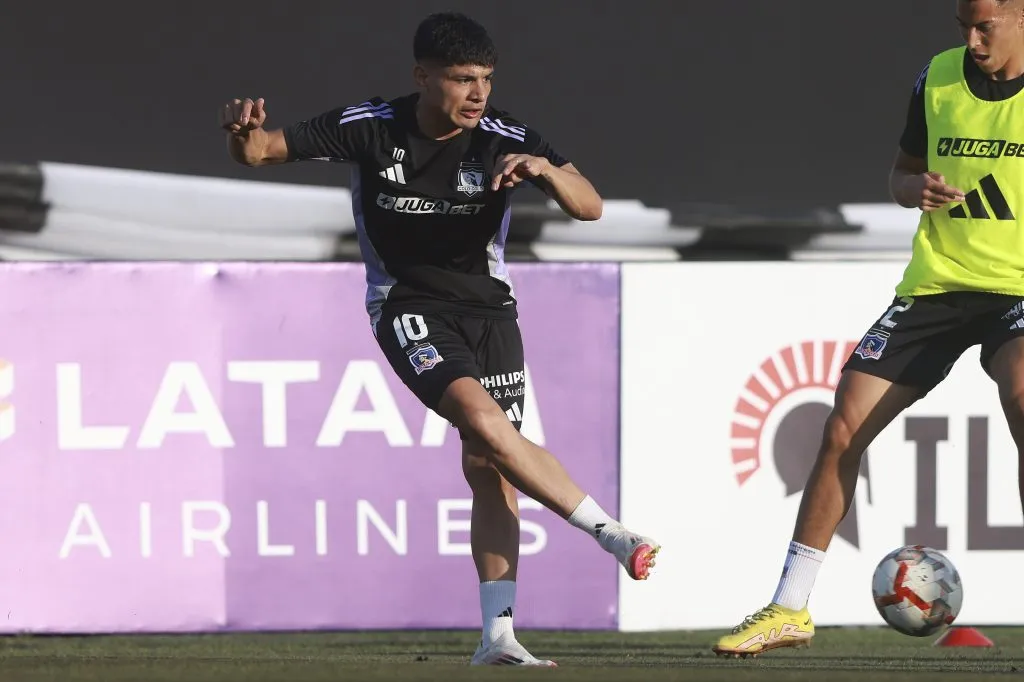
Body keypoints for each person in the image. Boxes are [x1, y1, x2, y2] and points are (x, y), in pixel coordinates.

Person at [219, 12, 659, 667]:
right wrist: (243, 135)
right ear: (422, 77)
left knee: (491, 470)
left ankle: (498, 636)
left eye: (484, 79)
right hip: (407, 306)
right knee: (484, 423)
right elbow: (259, 153)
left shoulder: (506, 137)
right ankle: (612, 535)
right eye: (461, 79)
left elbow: (589, 204)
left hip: (491, 313)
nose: (477, 93)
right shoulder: (370, 126)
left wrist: (542, 169)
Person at [713, 0, 1024, 658]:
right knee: (842, 427)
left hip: (1019, 290)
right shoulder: (937, 77)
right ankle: (789, 608)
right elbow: (899, 173)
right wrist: (918, 191)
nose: (970, 40)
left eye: (984, 27)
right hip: (938, 285)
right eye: (962, 25)